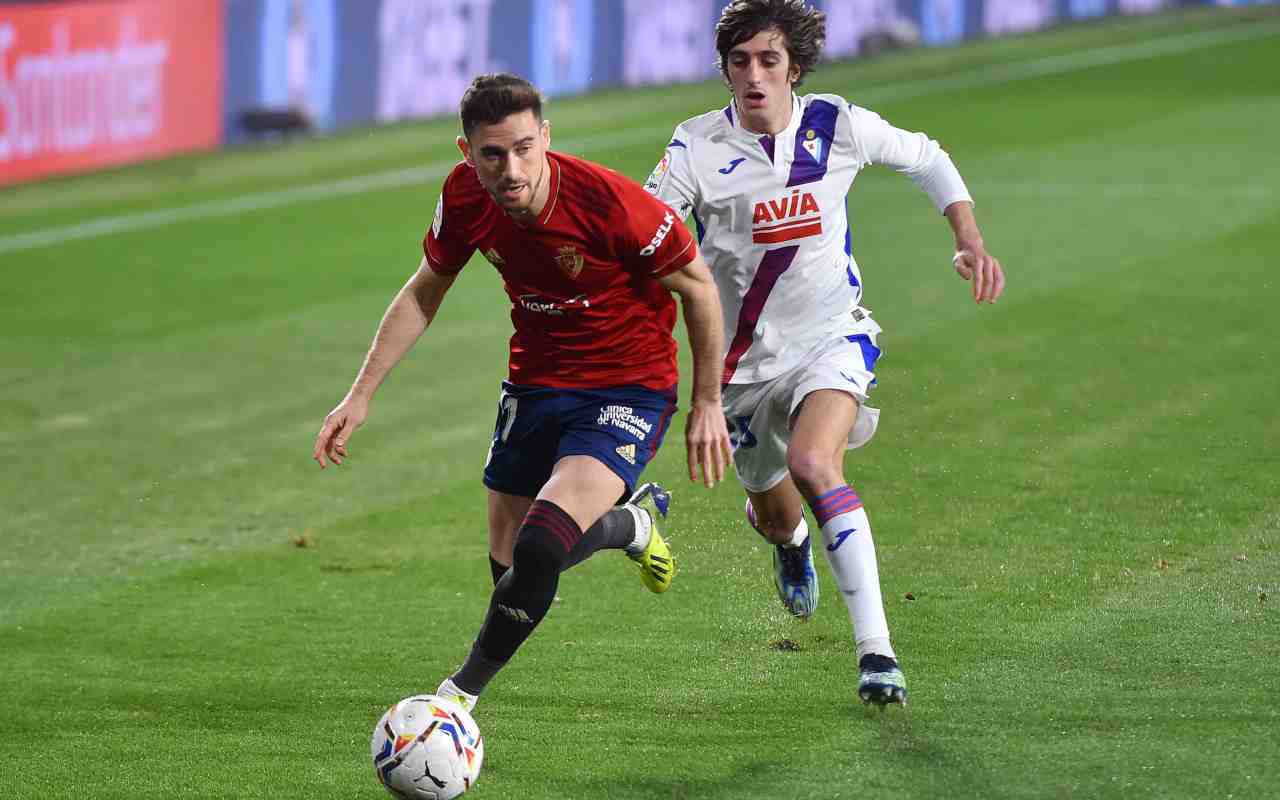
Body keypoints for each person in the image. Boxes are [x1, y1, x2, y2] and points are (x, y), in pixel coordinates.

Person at [314, 73, 733, 710]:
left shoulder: (609, 203)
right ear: (466, 153)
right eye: (492, 154)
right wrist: (360, 394)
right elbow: (425, 289)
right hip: (534, 384)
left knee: (539, 547)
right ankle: (627, 526)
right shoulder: (463, 198)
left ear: (545, 138)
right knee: (511, 568)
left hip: (627, 386)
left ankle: (455, 702)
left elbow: (698, 287)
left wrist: (707, 403)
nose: (510, 170)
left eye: (523, 149)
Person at [643, 0, 1005, 707]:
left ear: (794, 68)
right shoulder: (694, 149)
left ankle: (877, 653)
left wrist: (969, 238)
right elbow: (647, 237)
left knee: (814, 462)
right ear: (724, 69)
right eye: (739, 61)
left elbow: (927, 157)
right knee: (777, 512)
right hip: (737, 372)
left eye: (768, 60)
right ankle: (789, 543)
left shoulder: (837, 125)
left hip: (829, 338)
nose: (753, 75)